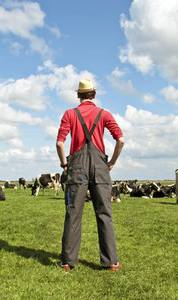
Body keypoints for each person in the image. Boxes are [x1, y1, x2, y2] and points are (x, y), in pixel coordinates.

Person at [56, 79, 125, 272]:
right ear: (93, 95)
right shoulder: (104, 114)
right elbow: (120, 139)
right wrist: (112, 162)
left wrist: (64, 164)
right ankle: (111, 262)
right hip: (100, 168)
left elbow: (60, 143)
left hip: (76, 167)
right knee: (104, 213)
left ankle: (67, 262)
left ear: (78, 95)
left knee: (73, 214)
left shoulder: (70, 114)